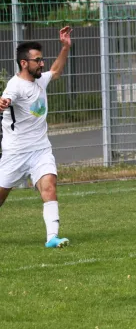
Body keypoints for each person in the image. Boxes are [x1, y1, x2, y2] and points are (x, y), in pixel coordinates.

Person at [0, 26, 73, 248]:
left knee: (49, 184)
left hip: (41, 149)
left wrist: (65, 47)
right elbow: (6, 99)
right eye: (37, 60)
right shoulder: (15, 85)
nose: (42, 63)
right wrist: (3, 103)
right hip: (15, 152)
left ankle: (52, 237)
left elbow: (57, 70)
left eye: (41, 60)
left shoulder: (40, 80)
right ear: (24, 63)